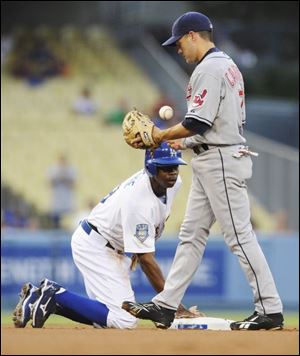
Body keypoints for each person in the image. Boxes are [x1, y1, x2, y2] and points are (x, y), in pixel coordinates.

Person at [122, 11, 284, 331]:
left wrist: (160, 135)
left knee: (238, 236)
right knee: (191, 235)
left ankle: (270, 309)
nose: (178, 48)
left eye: (180, 42)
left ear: (194, 35)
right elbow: (213, 124)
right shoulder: (225, 65)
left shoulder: (209, 68)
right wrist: (183, 144)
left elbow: (198, 122)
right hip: (213, 156)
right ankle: (166, 305)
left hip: (221, 160)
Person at [12, 143, 199, 329]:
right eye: (165, 168)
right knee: (124, 320)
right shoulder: (139, 201)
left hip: (106, 243)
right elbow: (146, 260)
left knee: (106, 318)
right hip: (96, 245)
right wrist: (174, 307)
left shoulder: (173, 184)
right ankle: (54, 293)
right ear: (150, 167)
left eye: (175, 166)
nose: (173, 172)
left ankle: (45, 300)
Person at [47, 154, 77, 229]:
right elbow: (49, 183)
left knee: (68, 217)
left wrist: (65, 178)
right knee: (56, 220)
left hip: (67, 199)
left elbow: (74, 184)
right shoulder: (53, 170)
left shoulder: (71, 170)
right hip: (57, 199)